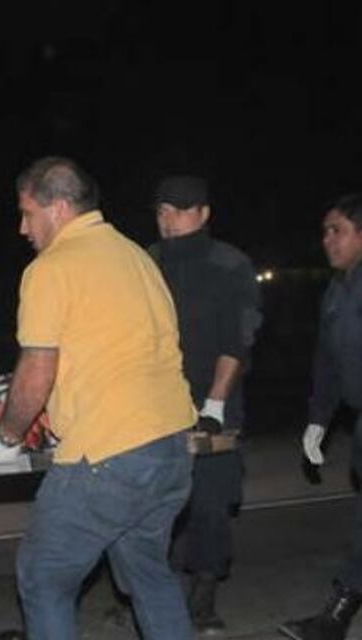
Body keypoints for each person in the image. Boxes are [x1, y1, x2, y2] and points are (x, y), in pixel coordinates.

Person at [0, 156, 198, 640]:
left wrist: (7, 437)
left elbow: (37, 369)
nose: (22, 227)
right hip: (170, 449)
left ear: (57, 209)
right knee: (148, 575)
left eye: (27, 213)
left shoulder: (52, 268)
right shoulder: (136, 257)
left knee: (43, 579)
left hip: (107, 456)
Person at [279, 194, 362, 640]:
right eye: (326, 231)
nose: (327, 239)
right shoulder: (337, 289)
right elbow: (327, 361)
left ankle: (337, 615)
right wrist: (317, 420)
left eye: (338, 230)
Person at [149, 175, 263, 634]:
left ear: (204, 213)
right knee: (155, 502)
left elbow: (239, 338)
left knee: (211, 503)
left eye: (179, 209)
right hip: (155, 403)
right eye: (162, 210)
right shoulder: (147, 261)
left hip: (215, 402)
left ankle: (203, 596)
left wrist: (215, 402)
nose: (169, 219)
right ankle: (158, 593)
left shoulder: (230, 264)